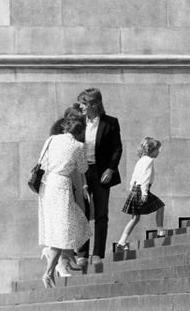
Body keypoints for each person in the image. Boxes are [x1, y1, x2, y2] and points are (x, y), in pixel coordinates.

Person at [38, 116, 92, 288]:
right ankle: (49, 272)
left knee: (61, 230)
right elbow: (83, 168)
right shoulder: (79, 146)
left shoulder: (52, 139)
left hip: (46, 185)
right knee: (63, 231)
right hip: (61, 186)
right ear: (80, 131)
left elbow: (42, 161)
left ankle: (50, 268)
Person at [76, 88, 123, 266]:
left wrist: (111, 169)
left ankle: (97, 253)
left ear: (94, 104)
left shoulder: (110, 122)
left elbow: (117, 148)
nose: (81, 106)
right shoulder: (79, 122)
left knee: (101, 213)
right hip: (82, 172)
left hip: (102, 172)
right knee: (83, 213)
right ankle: (81, 254)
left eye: (84, 103)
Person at [48, 104, 89, 277]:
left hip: (61, 181)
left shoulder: (57, 134)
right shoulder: (70, 138)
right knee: (68, 222)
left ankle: (64, 258)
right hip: (67, 181)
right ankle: (61, 262)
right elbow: (82, 166)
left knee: (70, 221)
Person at [116, 137, 166, 251]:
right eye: (157, 149)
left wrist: (131, 189)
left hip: (135, 189)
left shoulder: (141, 159)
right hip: (142, 189)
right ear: (151, 150)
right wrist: (144, 193)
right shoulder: (149, 160)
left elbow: (134, 177)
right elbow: (145, 177)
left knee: (135, 218)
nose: (159, 152)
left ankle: (121, 242)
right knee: (160, 207)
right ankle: (160, 231)